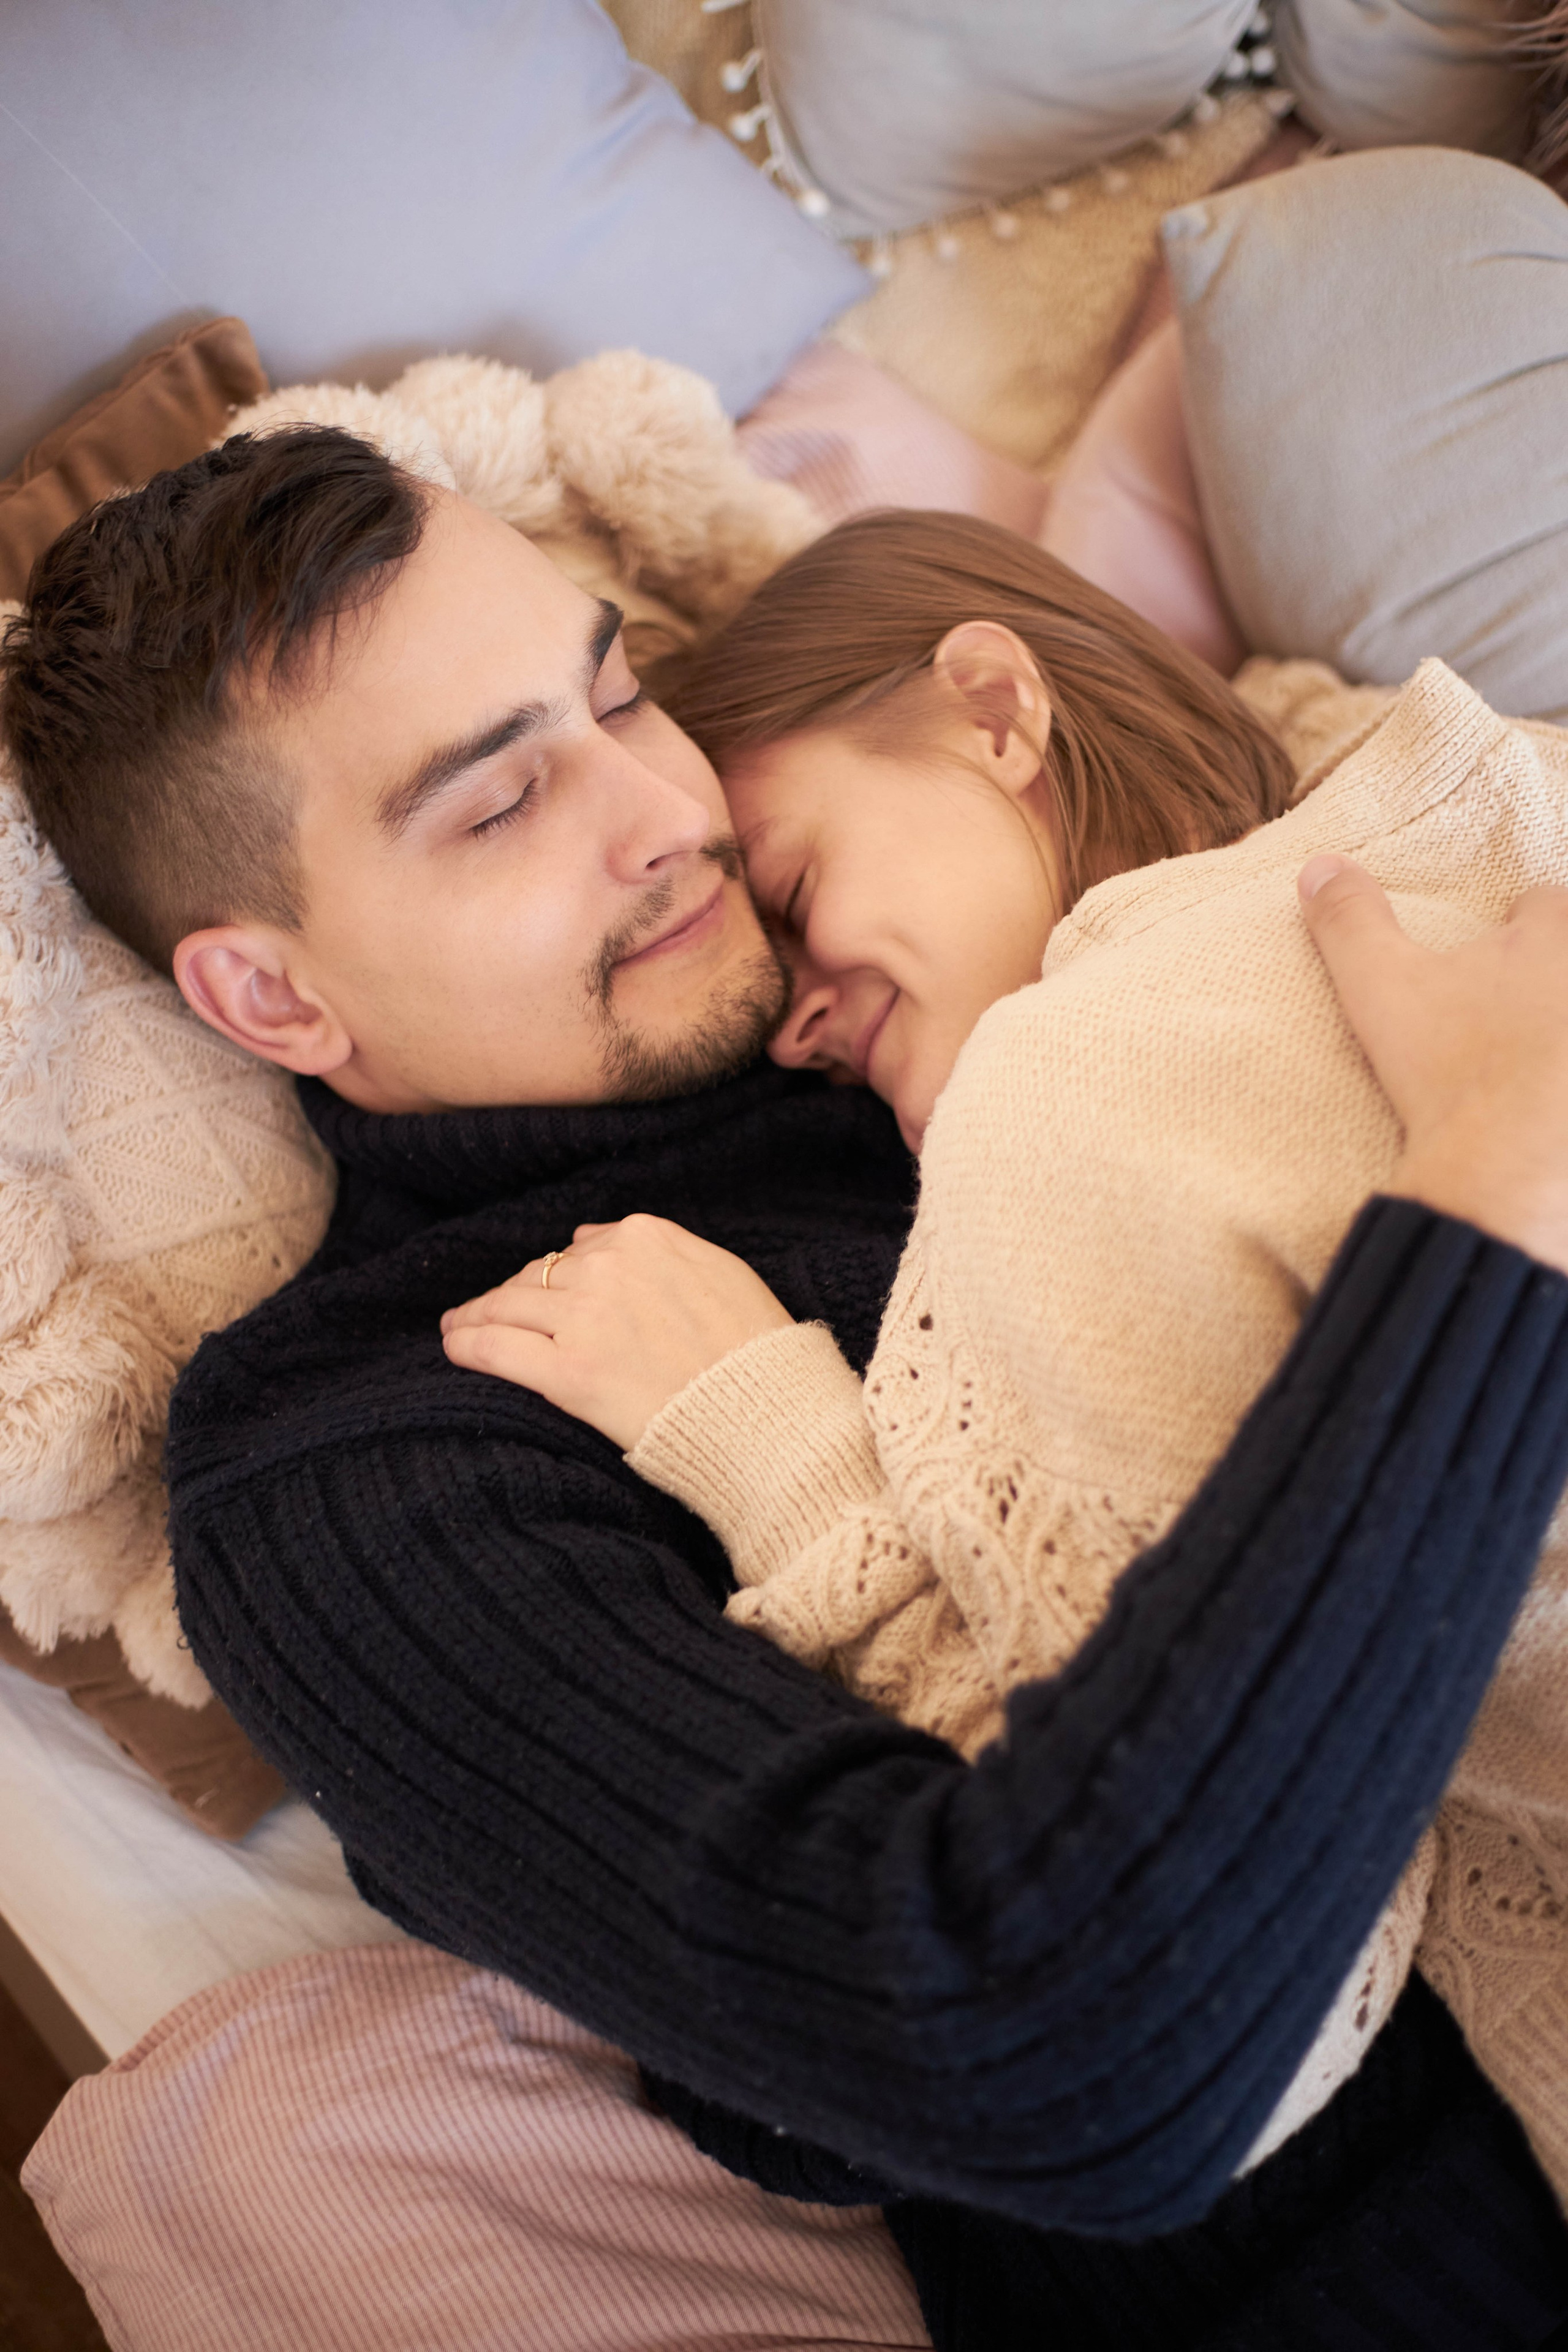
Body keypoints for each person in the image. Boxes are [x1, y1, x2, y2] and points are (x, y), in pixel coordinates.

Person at [7, 431, 1568, 2346]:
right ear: (272, 1001)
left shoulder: (965, 944)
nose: (667, 808)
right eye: (500, 805)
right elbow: (1066, 2062)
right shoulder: (368, 1453)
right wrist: (1495, 1215)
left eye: (621, 695)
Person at [442, 503, 1568, 2198]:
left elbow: (1237, 1990)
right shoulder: (1508, 787)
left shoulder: (1060, 1093)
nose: (799, 1021)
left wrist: (801, 1470)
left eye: (800, 887)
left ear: (993, 709)